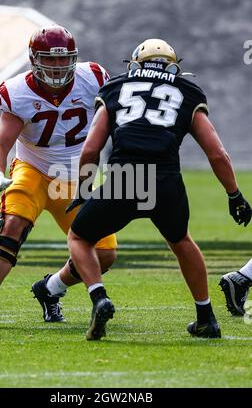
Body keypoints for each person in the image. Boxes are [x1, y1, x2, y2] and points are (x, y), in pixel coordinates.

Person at [66, 38, 252, 340]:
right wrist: (234, 195)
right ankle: (206, 317)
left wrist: (86, 188)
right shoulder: (187, 92)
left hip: (126, 176)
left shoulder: (116, 87)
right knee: (181, 242)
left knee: (79, 236)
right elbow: (217, 153)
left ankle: (99, 297)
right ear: (173, 67)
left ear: (135, 65)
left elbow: (90, 150)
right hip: (166, 179)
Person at [0, 25, 117, 329]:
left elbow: (114, 120)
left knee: (105, 253)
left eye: (64, 59)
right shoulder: (18, 91)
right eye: (51, 59)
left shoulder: (94, 78)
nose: (58, 67)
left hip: (75, 178)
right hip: (32, 168)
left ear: (74, 58)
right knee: (13, 223)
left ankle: (50, 290)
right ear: (34, 59)